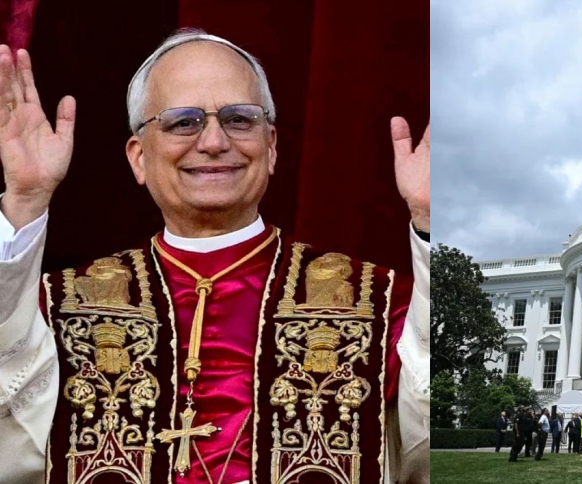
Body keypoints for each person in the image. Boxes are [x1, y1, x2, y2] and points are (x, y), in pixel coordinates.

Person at [0, 31, 430, 484]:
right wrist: (24, 203)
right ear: (139, 158)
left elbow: (423, 436)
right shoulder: (63, 304)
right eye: (182, 122)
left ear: (272, 147)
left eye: (239, 119)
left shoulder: (379, 302)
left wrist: (428, 220)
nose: (213, 141)